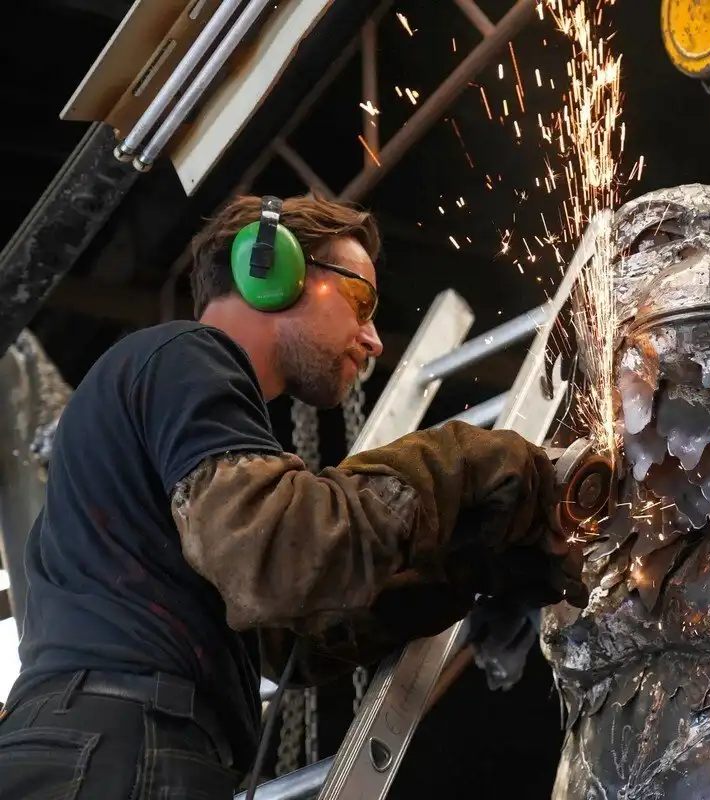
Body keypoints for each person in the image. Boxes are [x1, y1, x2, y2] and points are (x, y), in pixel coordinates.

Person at [0, 194, 586, 798]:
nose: (374, 340)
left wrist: (469, 565)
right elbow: (276, 551)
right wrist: (472, 462)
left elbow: (289, 638)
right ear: (271, 270)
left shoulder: (174, 429)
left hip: (97, 744)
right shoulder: (185, 357)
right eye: (361, 302)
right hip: (125, 742)